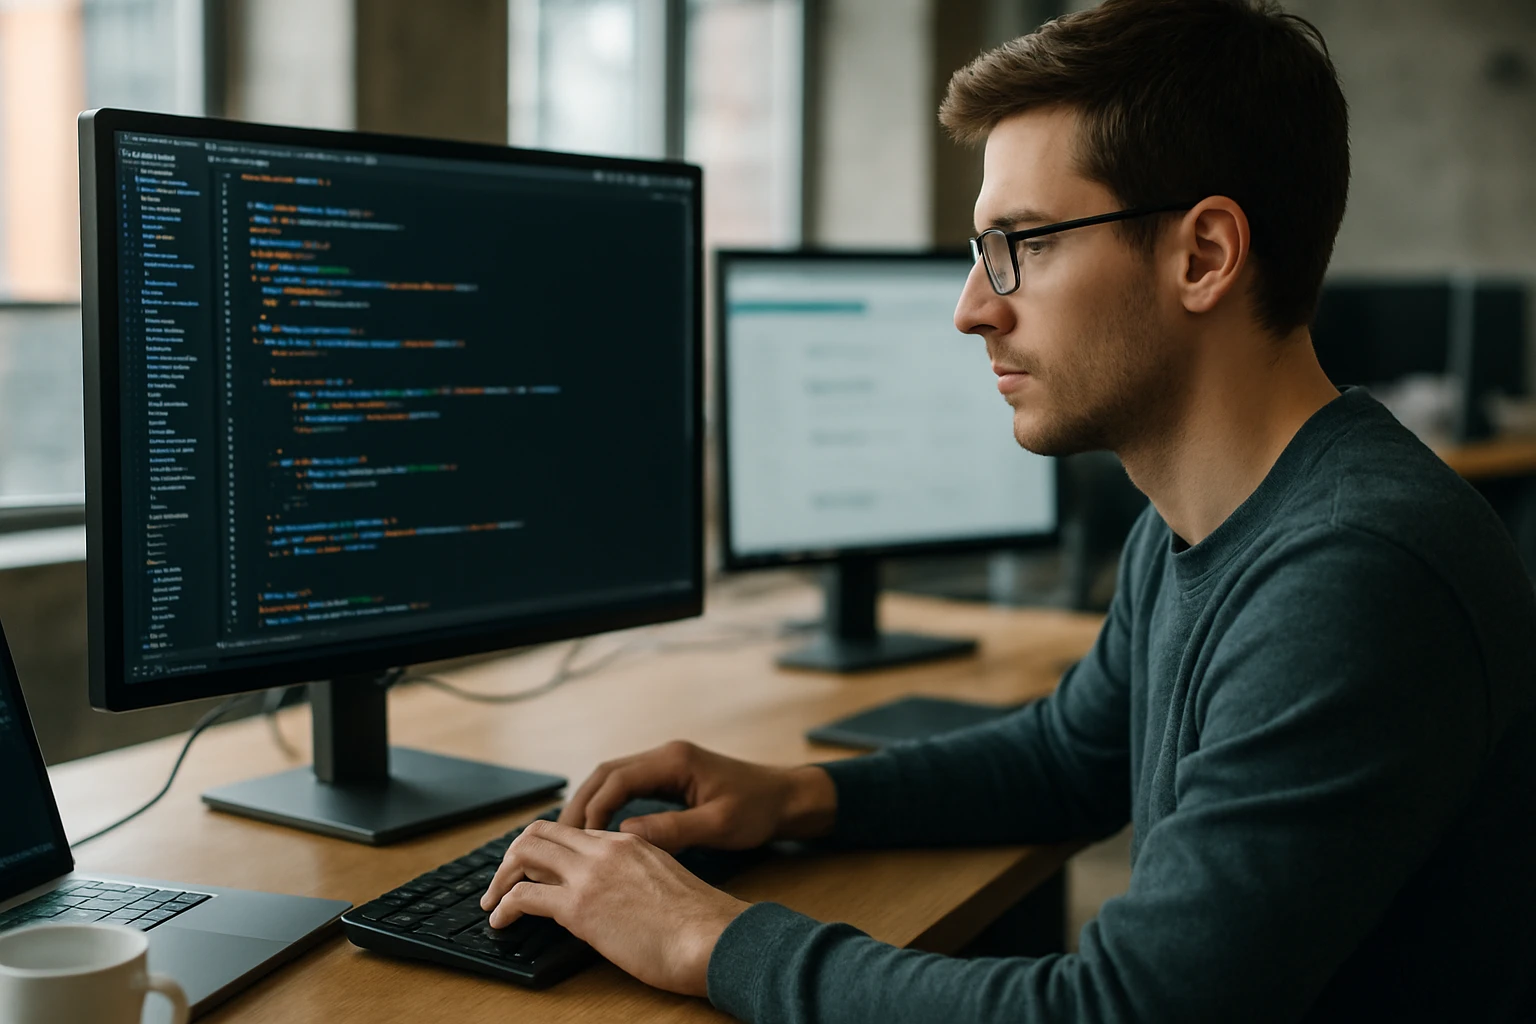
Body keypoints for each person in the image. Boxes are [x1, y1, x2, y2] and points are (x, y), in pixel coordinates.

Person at [480, 0, 1536, 1019]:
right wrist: (795, 797)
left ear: (1203, 256)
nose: (972, 306)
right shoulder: (1205, 520)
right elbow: (1068, 758)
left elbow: (1124, 1010)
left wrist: (701, 938)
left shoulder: (1354, 569)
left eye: (1020, 243)